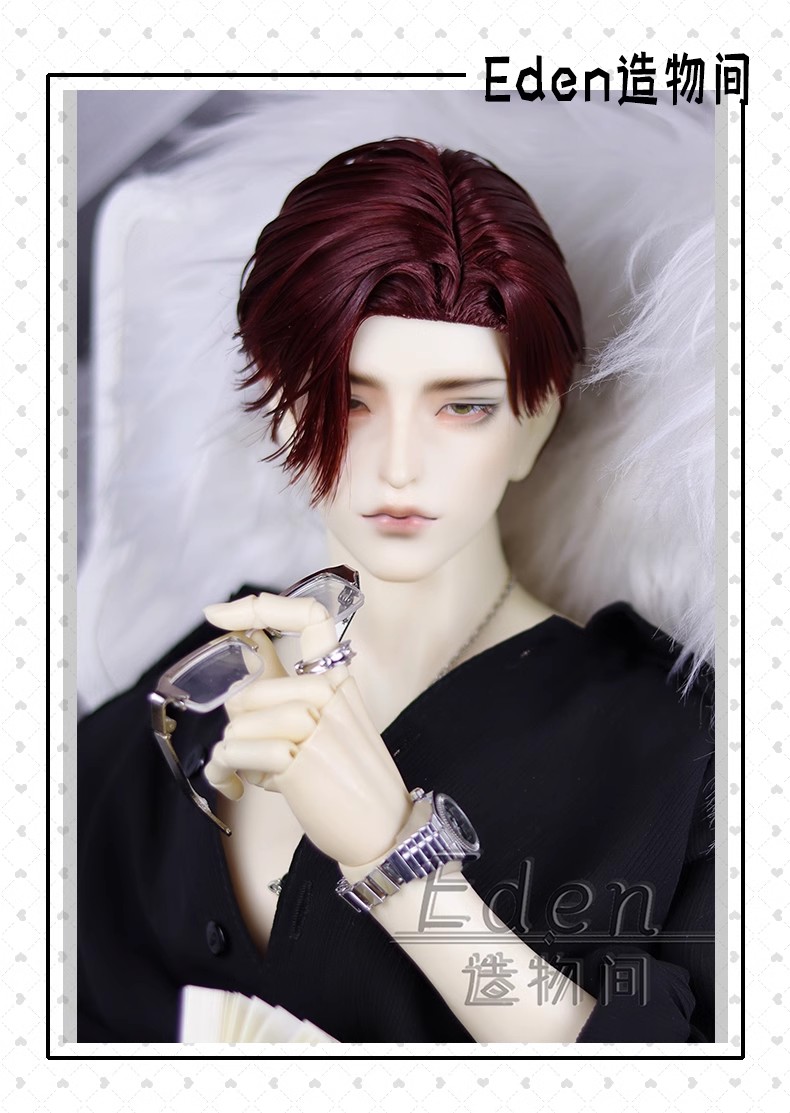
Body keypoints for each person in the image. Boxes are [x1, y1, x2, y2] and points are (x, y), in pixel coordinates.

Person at [78, 138, 715, 1043]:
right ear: (283, 407)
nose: (401, 464)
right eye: (350, 399)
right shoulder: (172, 711)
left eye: (464, 406)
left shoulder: (665, 753)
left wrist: (396, 858)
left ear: (533, 424)